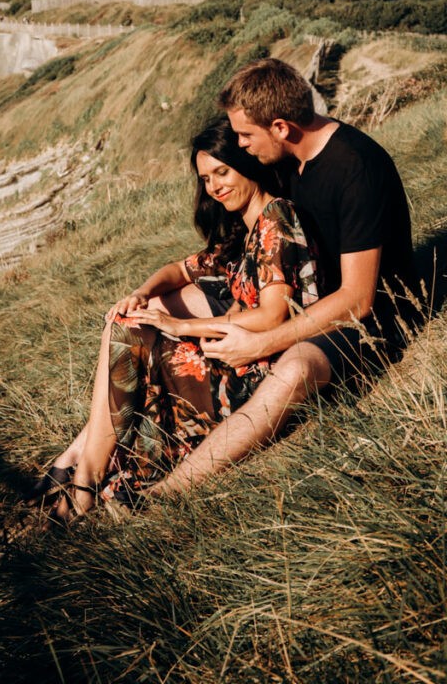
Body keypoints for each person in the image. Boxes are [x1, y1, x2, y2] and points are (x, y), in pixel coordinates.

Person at [147, 57, 424, 499]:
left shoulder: (355, 168)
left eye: (245, 136)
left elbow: (357, 299)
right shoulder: (287, 159)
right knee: (159, 308)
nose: (240, 145)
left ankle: (170, 492)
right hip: (300, 299)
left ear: (280, 127)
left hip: (370, 323)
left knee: (294, 367)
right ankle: (82, 463)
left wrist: (261, 342)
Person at [36, 117, 318, 522]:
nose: (215, 186)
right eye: (206, 179)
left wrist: (182, 328)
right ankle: (86, 476)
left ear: (248, 165)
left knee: (132, 336)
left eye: (222, 172)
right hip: (229, 360)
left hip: (254, 371)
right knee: (129, 323)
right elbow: (179, 270)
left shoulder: (276, 216)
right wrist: (142, 293)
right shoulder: (244, 232)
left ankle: (85, 483)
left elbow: (274, 314)